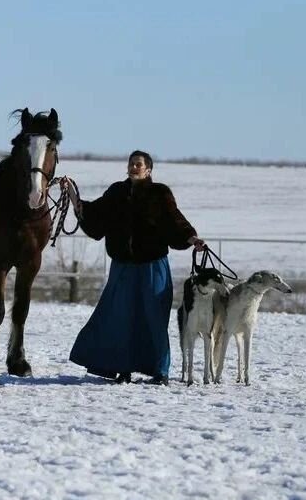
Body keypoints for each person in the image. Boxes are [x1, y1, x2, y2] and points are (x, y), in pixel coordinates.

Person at [63, 150, 205, 385]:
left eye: (138, 164)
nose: (133, 167)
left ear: (148, 169)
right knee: (120, 316)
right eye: (131, 163)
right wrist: (74, 198)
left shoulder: (160, 193)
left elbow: (174, 220)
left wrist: (192, 238)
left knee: (154, 317)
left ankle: (160, 371)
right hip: (123, 267)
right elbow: (96, 214)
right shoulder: (116, 192)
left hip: (153, 266)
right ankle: (122, 367)